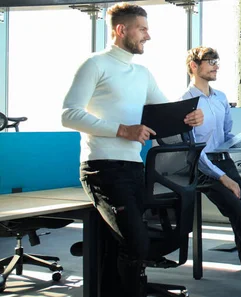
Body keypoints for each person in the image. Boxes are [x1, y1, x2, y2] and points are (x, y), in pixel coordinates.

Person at [61, 3, 204, 297]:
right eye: (142, 29)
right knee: (137, 244)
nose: (148, 36)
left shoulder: (142, 73)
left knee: (119, 246)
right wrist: (122, 130)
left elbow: (165, 117)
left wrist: (188, 119)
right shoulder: (95, 64)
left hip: (134, 167)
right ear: (121, 29)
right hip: (102, 168)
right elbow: (68, 114)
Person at [181, 46, 241, 297]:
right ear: (194, 66)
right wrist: (222, 177)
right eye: (210, 61)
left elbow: (225, 137)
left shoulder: (221, 98)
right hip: (203, 167)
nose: (216, 65)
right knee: (239, 213)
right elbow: (194, 150)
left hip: (223, 160)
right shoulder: (185, 102)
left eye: (217, 61)